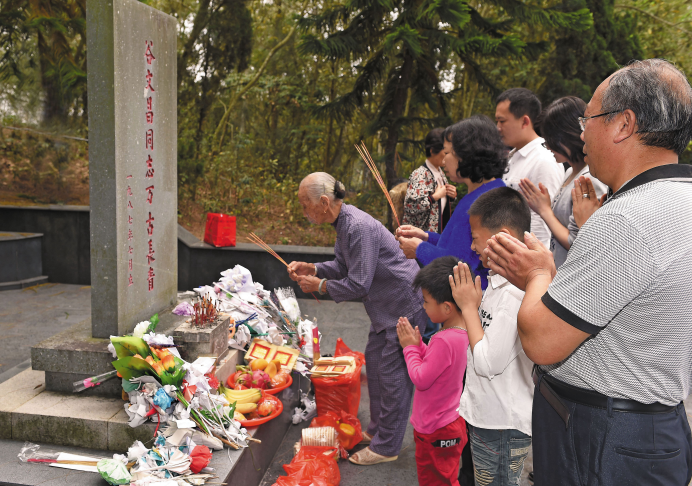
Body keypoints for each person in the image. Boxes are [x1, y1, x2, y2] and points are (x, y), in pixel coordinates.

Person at [485, 59, 692, 485]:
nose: (582, 133)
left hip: (604, 438)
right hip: (657, 427)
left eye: (589, 118)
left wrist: (539, 272)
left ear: (623, 124)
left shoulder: (627, 218)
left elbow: (542, 341)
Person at [287, 172, 428, 466]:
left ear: (324, 202)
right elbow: (342, 264)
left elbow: (359, 282)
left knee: (393, 377)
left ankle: (387, 446)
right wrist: (313, 268)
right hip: (384, 308)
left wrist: (320, 286)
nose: (304, 211)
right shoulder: (344, 223)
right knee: (376, 368)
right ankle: (377, 434)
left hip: (402, 304)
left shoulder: (358, 226)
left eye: (304, 204)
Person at [449, 186, 534, 486]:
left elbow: (487, 363)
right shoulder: (498, 283)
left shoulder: (514, 294)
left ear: (504, 236)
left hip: (502, 427)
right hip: (489, 418)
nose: (472, 247)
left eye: (475, 237)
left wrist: (468, 308)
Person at [396, 115, 507, 287]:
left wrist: (419, 249)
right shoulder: (480, 193)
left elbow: (458, 267)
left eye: (447, 153)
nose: (444, 160)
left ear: (467, 155)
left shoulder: (487, 202)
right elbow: (456, 246)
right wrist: (426, 237)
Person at [397, 256, 469, 486]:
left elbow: (421, 378)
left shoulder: (444, 340)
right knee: (445, 477)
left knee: (436, 481)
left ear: (446, 307)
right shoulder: (462, 332)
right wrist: (419, 346)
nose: (423, 306)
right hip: (449, 424)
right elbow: (440, 366)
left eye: (426, 302)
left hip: (436, 429)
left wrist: (409, 348)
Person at [518, 96, 608, 268]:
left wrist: (545, 211)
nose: (549, 147)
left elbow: (578, 243)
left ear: (567, 135)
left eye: (550, 140)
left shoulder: (588, 179)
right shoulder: (570, 172)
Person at [495, 88, 564, 247]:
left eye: (502, 121)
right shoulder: (513, 156)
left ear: (524, 121)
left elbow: (543, 222)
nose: (498, 127)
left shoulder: (544, 159)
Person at [402, 128, 457, 233]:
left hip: (436, 235)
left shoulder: (440, 173)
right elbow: (411, 208)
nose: (447, 155)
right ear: (432, 151)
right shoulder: (420, 174)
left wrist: (451, 195)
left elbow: (440, 206)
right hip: (418, 238)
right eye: (445, 152)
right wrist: (434, 197)